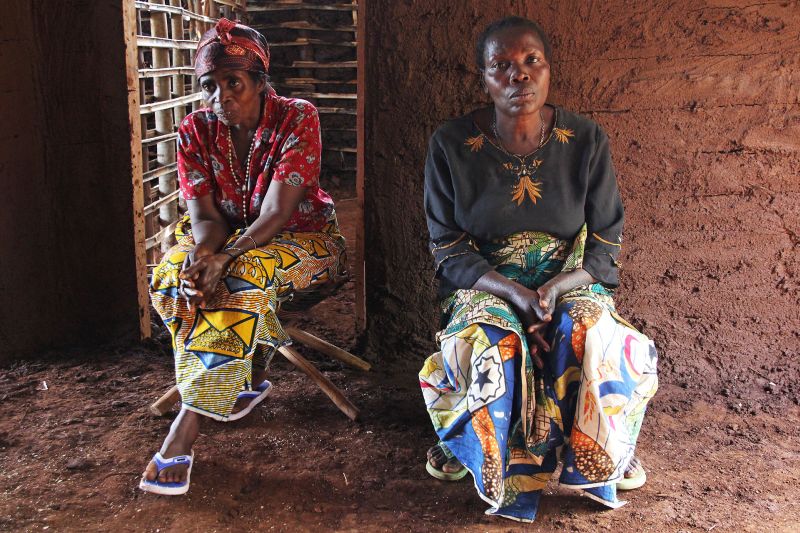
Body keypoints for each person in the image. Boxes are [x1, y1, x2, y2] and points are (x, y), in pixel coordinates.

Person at [419, 16, 658, 522]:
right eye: (500, 66)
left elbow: (605, 244)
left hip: (568, 278)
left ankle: (607, 451)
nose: (517, 76)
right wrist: (516, 295)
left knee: (592, 332)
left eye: (531, 62)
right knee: (490, 340)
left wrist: (551, 291)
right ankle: (473, 448)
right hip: (485, 281)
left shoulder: (586, 140)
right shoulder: (451, 144)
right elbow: (449, 247)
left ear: (548, 70)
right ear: (483, 77)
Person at [140, 19, 347, 495]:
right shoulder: (194, 129)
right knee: (174, 273)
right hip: (232, 245)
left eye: (234, 83)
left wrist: (225, 258)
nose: (221, 96)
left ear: (259, 81)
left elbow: (278, 212)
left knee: (243, 275)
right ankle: (238, 375)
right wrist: (203, 257)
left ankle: (183, 434)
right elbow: (206, 218)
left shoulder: (297, 117)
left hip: (307, 243)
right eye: (209, 86)